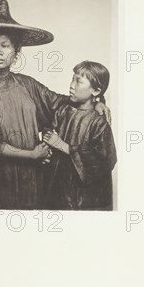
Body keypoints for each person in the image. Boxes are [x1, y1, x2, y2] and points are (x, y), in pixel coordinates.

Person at [0, 0, 109, 209]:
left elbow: (60, 104)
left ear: (16, 51)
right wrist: (31, 155)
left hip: (31, 179)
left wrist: (97, 101)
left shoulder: (28, 85)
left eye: (5, 45)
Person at [42, 61, 117, 210]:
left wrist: (65, 147)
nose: (71, 85)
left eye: (78, 81)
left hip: (85, 198)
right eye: (72, 79)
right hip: (58, 189)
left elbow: (107, 159)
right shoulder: (62, 111)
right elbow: (50, 134)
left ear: (96, 91)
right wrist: (46, 152)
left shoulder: (98, 121)